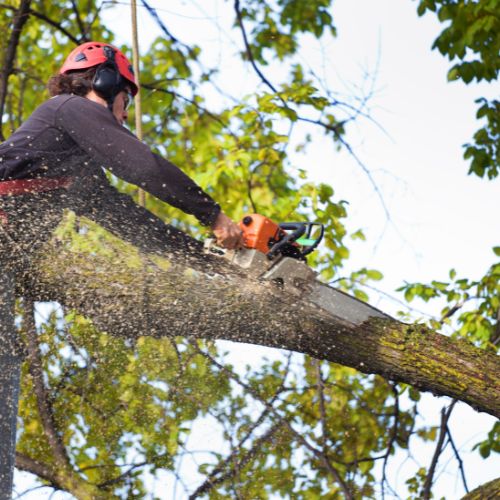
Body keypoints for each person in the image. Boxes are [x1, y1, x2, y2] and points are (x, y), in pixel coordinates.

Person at [0, 41, 243, 272]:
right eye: (124, 101)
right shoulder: (68, 107)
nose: (125, 115)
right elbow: (145, 167)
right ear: (105, 82)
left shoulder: (78, 171)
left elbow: (134, 224)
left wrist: (212, 262)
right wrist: (213, 215)